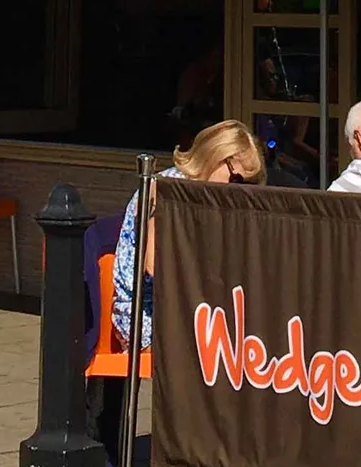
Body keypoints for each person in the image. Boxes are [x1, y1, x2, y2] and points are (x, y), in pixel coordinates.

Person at [111, 119, 267, 349]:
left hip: (193, 310)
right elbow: (155, 265)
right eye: (236, 180)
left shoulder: (210, 199)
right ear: (216, 156)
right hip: (147, 313)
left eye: (248, 185)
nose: (240, 190)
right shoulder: (167, 190)